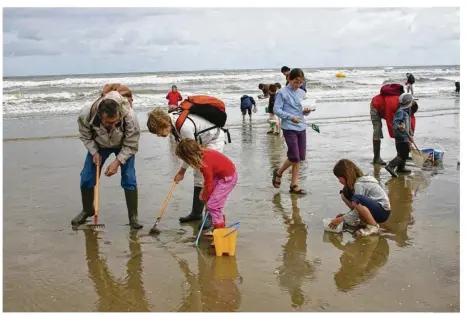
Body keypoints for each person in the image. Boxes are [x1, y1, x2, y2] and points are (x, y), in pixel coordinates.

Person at [146, 106, 226, 230]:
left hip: (213, 139)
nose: (158, 135)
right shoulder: (173, 124)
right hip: (200, 141)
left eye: (158, 132)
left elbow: (190, 153)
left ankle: (209, 214)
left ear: (163, 124)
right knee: (198, 175)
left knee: (208, 175)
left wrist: (181, 171)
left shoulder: (184, 127)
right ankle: (196, 213)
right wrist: (182, 170)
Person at [72, 90, 142, 229]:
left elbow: (132, 144)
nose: (111, 125)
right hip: (99, 145)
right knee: (87, 177)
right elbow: (85, 135)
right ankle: (87, 210)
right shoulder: (87, 113)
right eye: (107, 122)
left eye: (115, 121)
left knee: (129, 177)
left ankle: (133, 217)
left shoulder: (129, 116)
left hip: (124, 145)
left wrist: (117, 162)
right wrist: (94, 152)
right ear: (99, 115)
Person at [175, 139, 238, 239]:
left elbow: (209, 182)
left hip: (228, 178)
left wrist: (205, 195)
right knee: (212, 203)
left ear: (190, 157)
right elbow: (209, 181)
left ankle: (220, 234)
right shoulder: (203, 154)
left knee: (213, 205)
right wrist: (205, 193)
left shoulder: (205, 163)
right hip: (220, 175)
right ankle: (219, 229)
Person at [272, 68, 312, 195]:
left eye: (300, 82)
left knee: (299, 158)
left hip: (301, 126)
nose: (298, 85)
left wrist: (307, 111)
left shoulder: (302, 93)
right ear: (289, 79)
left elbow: (303, 109)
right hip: (289, 127)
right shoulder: (282, 93)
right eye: (296, 82)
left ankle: (294, 185)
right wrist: (290, 117)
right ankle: (279, 172)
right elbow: (276, 110)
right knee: (294, 156)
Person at [329, 159, 391, 236]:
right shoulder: (357, 183)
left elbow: (357, 206)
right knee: (343, 194)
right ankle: (364, 221)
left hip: (382, 211)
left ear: (346, 175)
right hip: (375, 209)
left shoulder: (359, 184)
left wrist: (341, 219)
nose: (339, 181)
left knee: (356, 200)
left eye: (339, 178)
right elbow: (357, 209)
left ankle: (373, 227)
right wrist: (346, 217)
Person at [385, 93, 415, 177]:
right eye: (411, 101)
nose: (412, 102)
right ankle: (390, 166)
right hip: (401, 136)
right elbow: (394, 123)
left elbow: (408, 126)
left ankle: (401, 168)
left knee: (404, 153)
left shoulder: (407, 111)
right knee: (403, 154)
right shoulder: (401, 112)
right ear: (409, 102)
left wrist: (411, 135)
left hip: (405, 136)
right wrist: (400, 127)